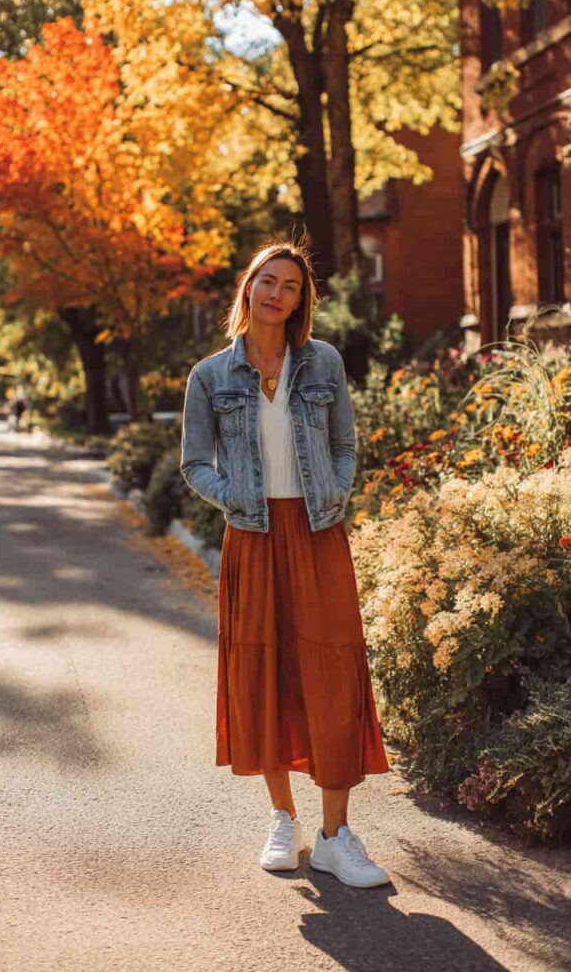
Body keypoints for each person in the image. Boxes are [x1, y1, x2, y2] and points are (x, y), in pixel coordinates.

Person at [180, 240, 391, 889]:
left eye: (290, 285)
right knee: (261, 672)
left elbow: (345, 443)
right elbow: (194, 463)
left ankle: (335, 835)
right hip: (253, 537)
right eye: (266, 281)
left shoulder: (322, 362)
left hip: (318, 534)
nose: (277, 293)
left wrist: (334, 490)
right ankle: (282, 818)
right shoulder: (210, 376)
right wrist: (235, 498)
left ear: (302, 298)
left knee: (331, 676)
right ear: (248, 289)